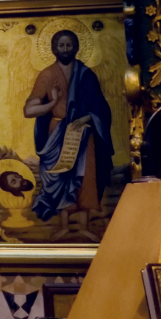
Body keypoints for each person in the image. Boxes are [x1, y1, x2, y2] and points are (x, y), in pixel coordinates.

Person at [23, 29, 113, 231]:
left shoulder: (87, 75)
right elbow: (29, 110)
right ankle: (64, 226)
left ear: (76, 48)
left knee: (85, 176)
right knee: (62, 177)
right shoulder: (46, 75)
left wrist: (88, 118)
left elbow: (101, 108)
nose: (65, 49)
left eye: (69, 45)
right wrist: (53, 101)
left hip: (83, 132)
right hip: (57, 133)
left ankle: (85, 227)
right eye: (61, 46)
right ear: (54, 48)